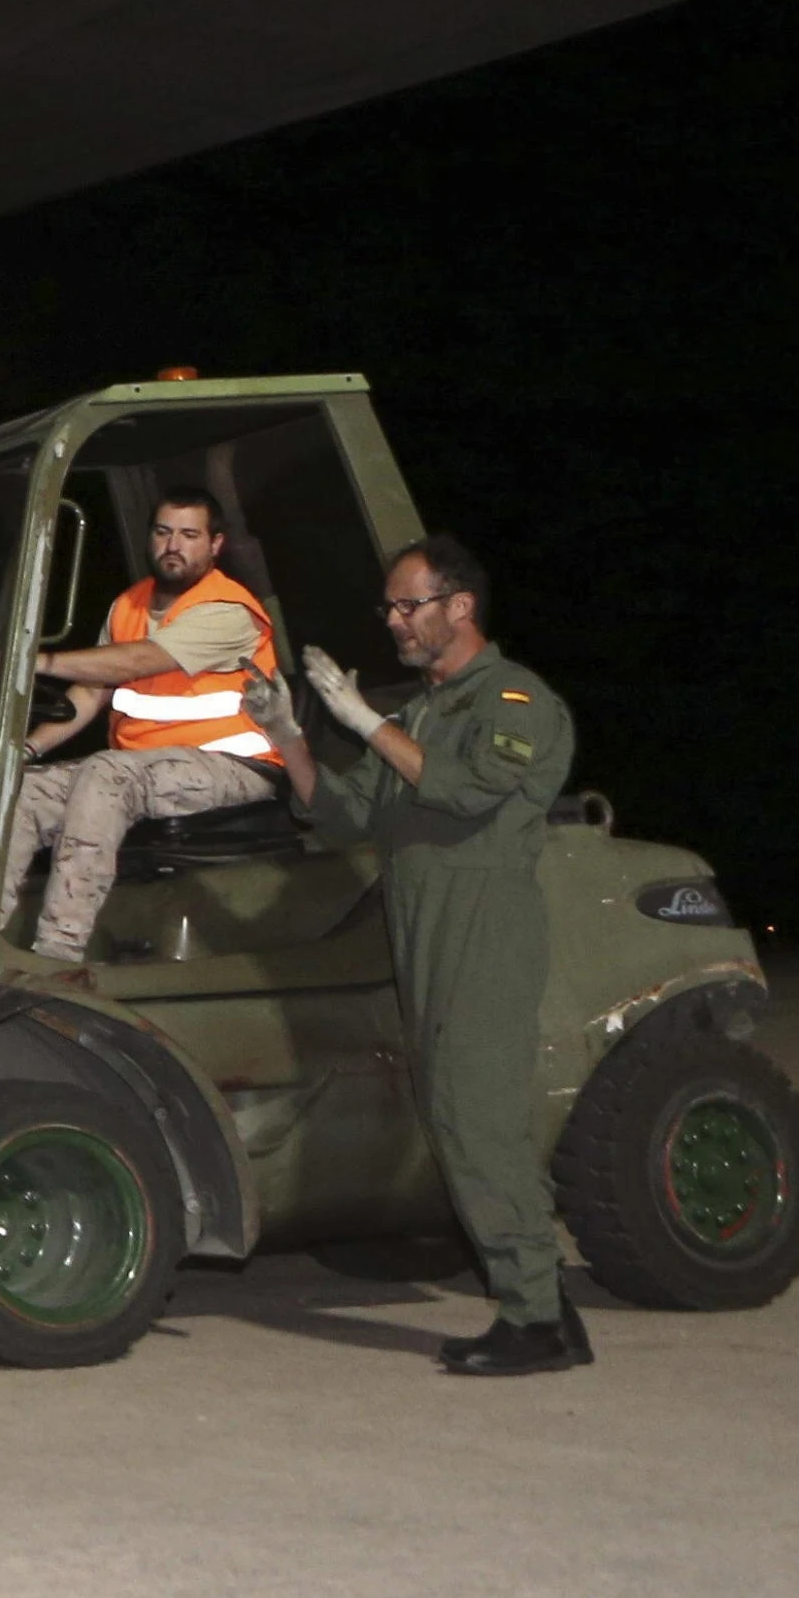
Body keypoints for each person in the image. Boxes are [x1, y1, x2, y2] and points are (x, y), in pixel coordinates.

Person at [263, 534, 587, 1376]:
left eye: (411, 605)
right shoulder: (419, 713)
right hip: (422, 928)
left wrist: (364, 720)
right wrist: (290, 736)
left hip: (483, 926)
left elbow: (461, 788)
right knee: (457, 1120)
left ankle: (535, 1319)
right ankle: (546, 1302)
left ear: (460, 607)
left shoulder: (513, 700)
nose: (397, 621)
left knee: (475, 1122)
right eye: (391, 608)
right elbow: (341, 817)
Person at [0, 486, 285, 960]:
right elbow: (91, 691)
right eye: (164, 532)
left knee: (106, 773)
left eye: (190, 535)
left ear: (215, 545)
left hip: (235, 768)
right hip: (147, 769)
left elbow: (138, 661)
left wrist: (34, 660)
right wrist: (25, 751)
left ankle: (58, 950)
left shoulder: (229, 610)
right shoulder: (129, 605)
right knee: (22, 790)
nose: (174, 545)